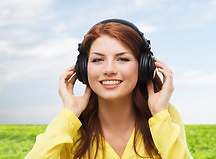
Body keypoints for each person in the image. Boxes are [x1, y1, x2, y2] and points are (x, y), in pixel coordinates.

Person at [25, 19, 193, 159]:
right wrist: (69, 113)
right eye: (98, 60)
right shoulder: (70, 124)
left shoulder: (165, 115)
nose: (109, 69)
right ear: (83, 68)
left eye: (123, 59)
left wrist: (159, 114)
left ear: (144, 66)